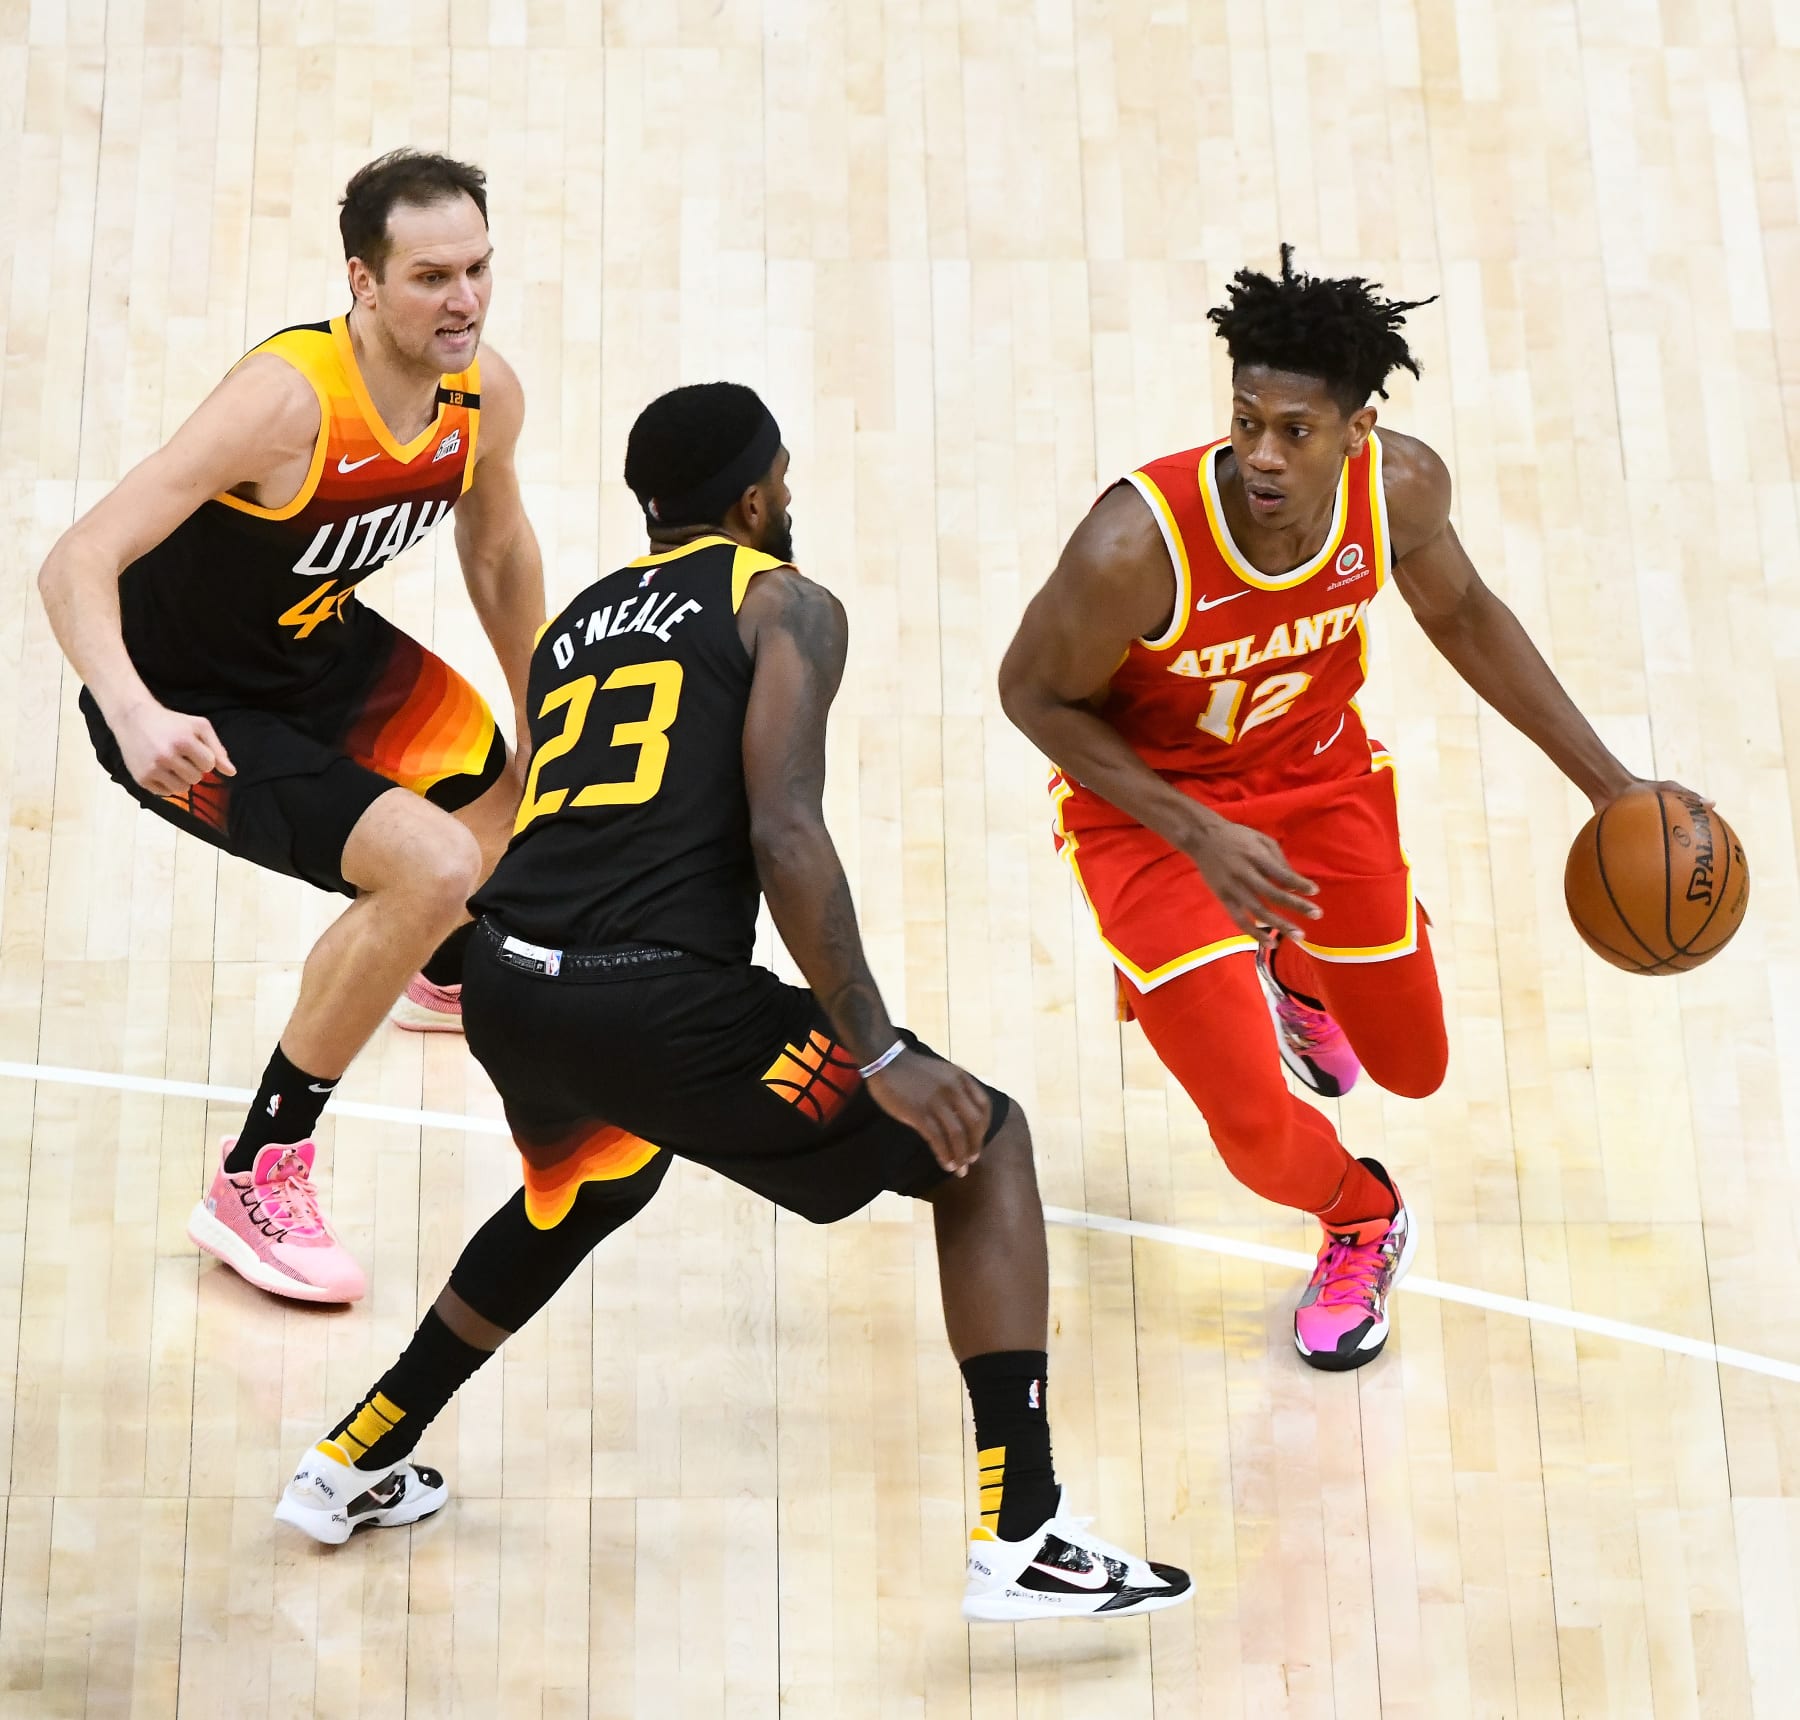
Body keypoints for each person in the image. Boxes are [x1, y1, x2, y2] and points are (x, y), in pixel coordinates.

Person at [273, 382, 1192, 1623]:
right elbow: (786, 829)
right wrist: (883, 1052)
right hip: (661, 1008)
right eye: (788, 482)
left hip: (509, 987)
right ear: (756, 496)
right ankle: (1022, 1528)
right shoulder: (783, 603)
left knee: (588, 1185)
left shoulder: (577, 629)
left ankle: (355, 1458)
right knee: (980, 1136)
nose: (791, 502)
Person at [999, 248, 1700, 1371]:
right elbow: (1028, 693)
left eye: (1295, 430)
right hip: (1150, 816)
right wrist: (1198, 835)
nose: (1262, 454)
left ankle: (1294, 967)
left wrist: (1610, 783)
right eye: (1245, 421)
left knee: (1414, 1063)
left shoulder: (1402, 490)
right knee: (1251, 1130)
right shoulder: (1134, 546)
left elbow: (1467, 613)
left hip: (1318, 777)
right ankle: (1360, 1214)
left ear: (1357, 428)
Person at [36, 150, 545, 1304]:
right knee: (428, 861)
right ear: (362, 283)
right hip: (185, 705)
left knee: (507, 786)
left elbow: (501, 549)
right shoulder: (287, 403)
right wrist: (131, 709)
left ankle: (437, 962)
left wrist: (543, 708)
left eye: (476, 270)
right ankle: (258, 1172)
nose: (461, 300)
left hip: (316, 656)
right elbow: (78, 559)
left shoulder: (482, 394)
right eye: (429, 277)